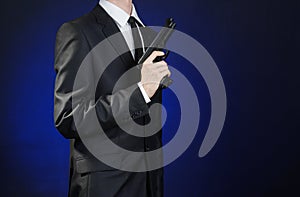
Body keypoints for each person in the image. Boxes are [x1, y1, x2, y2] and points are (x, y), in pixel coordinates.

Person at [53, 0, 171, 196]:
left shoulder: (147, 35)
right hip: (105, 186)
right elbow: (68, 118)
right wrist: (140, 93)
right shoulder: (77, 32)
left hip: (150, 183)